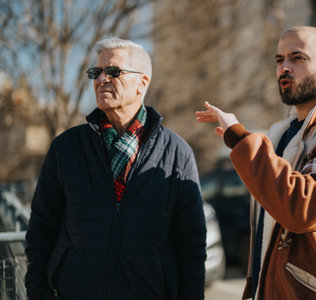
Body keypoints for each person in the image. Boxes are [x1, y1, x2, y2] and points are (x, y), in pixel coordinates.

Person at [196, 26, 316, 299]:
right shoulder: (286, 133)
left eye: (298, 58)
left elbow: (301, 209)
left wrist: (241, 140)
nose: (285, 68)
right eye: (280, 60)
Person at [25, 37, 207, 300]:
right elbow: (41, 230)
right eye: (95, 72)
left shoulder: (177, 154)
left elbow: (191, 248)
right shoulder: (66, 148)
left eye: (112, 71)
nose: (100, 80)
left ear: (142, 83)